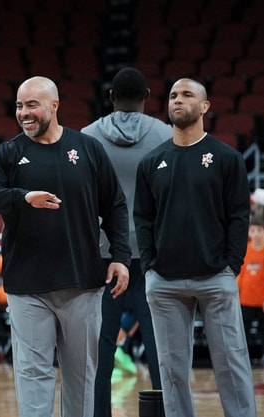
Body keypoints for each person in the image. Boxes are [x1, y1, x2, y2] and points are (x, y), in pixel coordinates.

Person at [0, 76, 131, 417]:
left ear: (54, 106)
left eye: (32, 105)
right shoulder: (10, 153)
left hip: (82, 282)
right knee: (33, 375)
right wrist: (22, 197)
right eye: (19, 106)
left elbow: (114, 205)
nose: (24, 113)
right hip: (28, 287)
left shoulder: (87, 149)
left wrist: (121, 257)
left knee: (81, 378)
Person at [134, 78, 256, 417]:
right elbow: (142, 218)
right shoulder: (151, 162)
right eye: (173, 95)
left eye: (187, 95)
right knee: (171, 372)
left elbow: (238, 216)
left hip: (216, 276)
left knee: (232, 366)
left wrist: (231, 264)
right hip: (165, 282)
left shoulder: (226, 158)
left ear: (204, 107)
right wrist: (149, 266)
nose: (177, 100)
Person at [80, 66, 165, 417]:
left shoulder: (85, 138)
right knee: (160, 344)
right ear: (147, 97)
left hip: (102, 254)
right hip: (151, 254)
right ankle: (162, 412)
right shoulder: (166, 135)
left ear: (110, 98)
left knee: (100, 347)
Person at [238, 216, 264, 369]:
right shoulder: (244, 250)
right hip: (245, 298)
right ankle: (243, 358)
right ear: (249, 232)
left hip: (262, 300)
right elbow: (239, 275)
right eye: (253, 230)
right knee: (244, 330)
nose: (256, 233)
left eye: (259, 230)